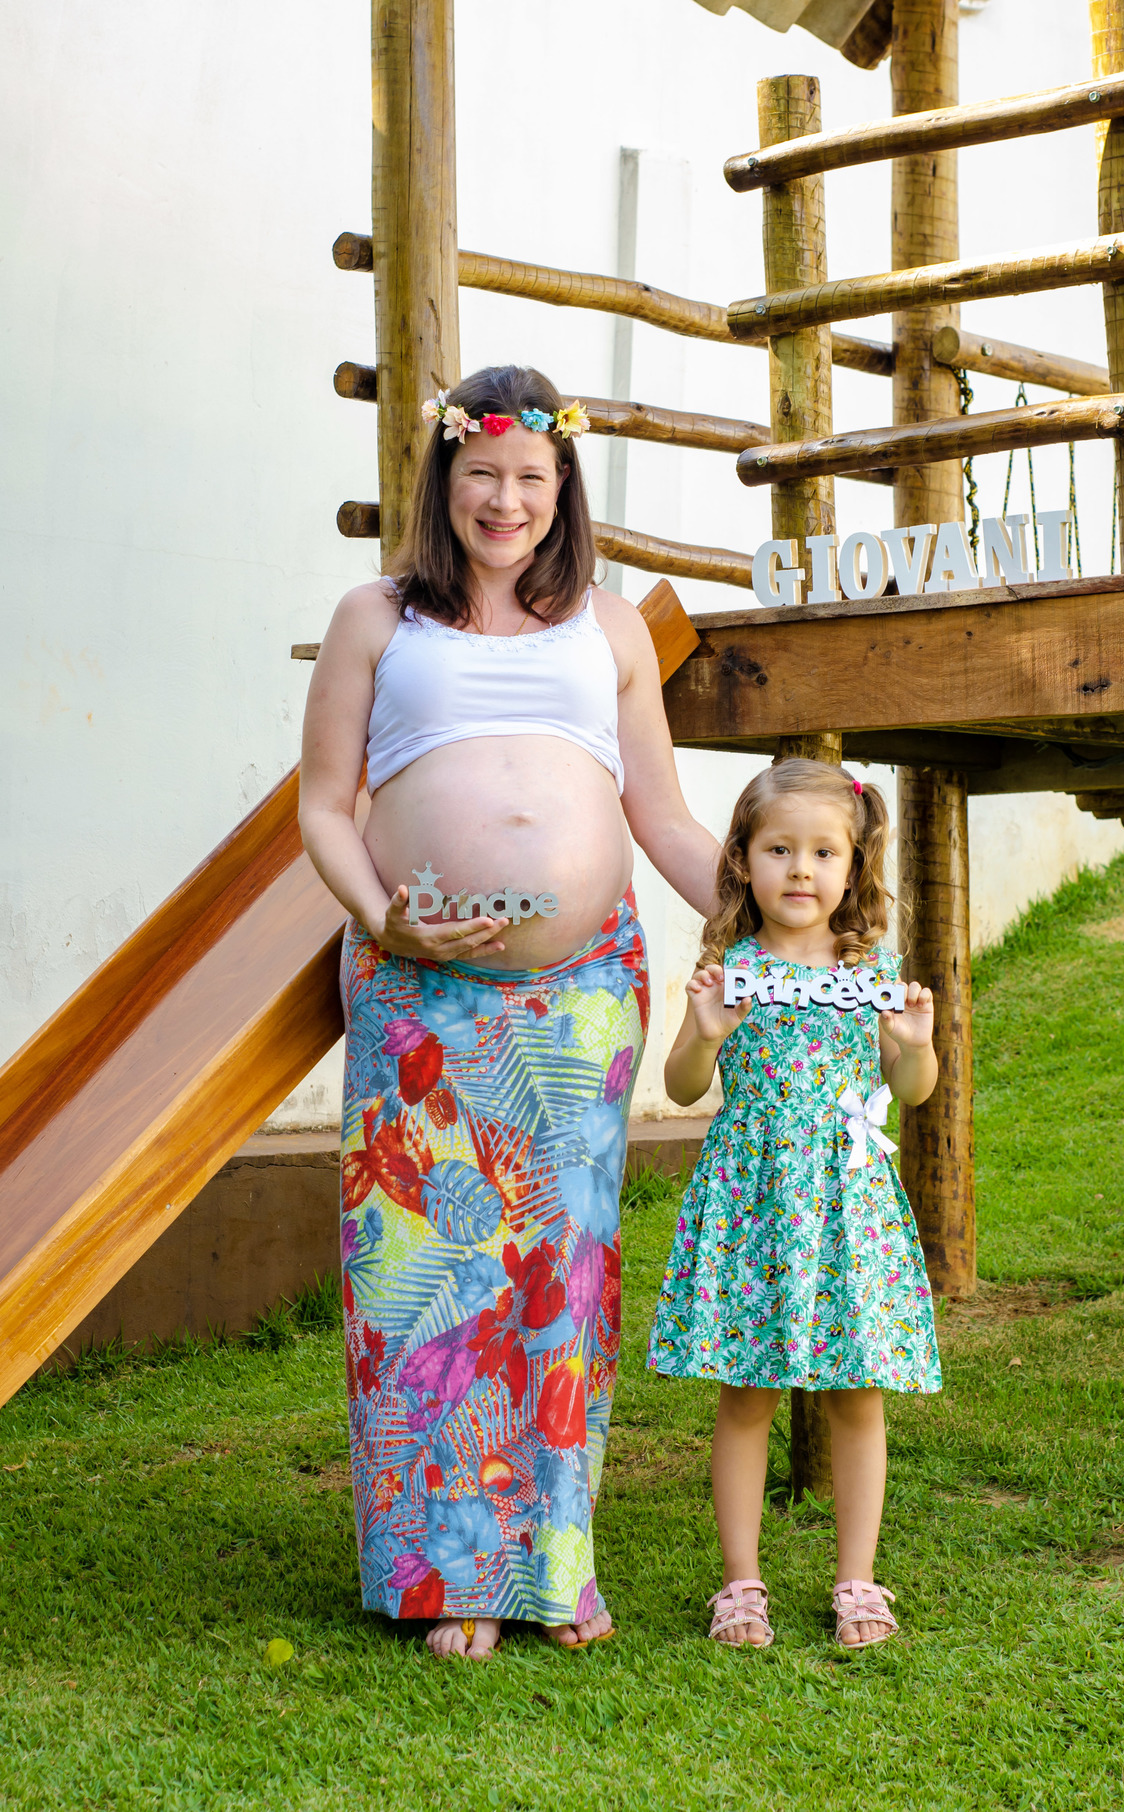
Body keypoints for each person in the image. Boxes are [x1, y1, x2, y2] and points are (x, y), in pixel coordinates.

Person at [299, 365, 718, 1660]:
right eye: (481, 474)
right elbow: (323, 806)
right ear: (444, 479)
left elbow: (663, 818)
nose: (505, 500)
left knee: (560, 1276)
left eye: (531, 478)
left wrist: (784, 917)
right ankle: (450, 1575)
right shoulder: (376, 619)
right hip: (420, 990)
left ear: (561, 487)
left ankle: (553, 1568)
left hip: (581, 994)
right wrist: (384, 919)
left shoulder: (610, 628)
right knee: (426, 1278)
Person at [646, 758, 940, 1649]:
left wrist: (915, 1047)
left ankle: (858, 1581)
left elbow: (912, 1092)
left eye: (822, 852)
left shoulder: (870, 971)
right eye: (779, 850)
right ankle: (741, 1584)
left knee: (858, 1391)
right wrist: (704, 1035)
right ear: (743, 860)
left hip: (847, 1201)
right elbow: (683, 1085)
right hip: (755, 1202)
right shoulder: (729, 970)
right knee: (747, 1391)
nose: (801, 870)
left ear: (853, 866)